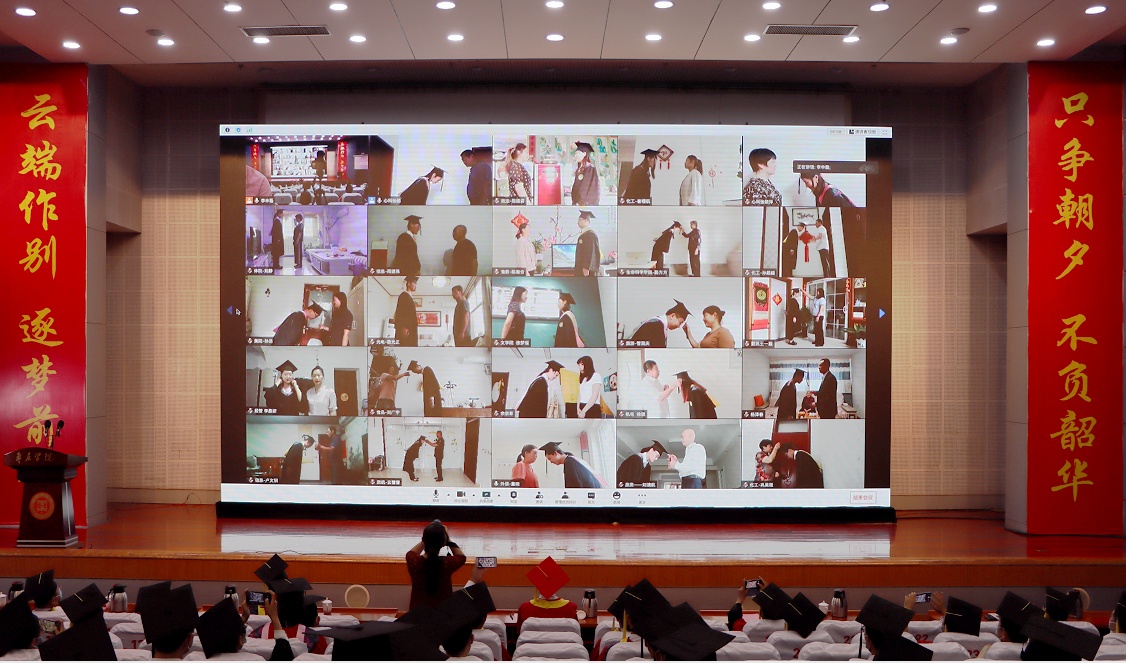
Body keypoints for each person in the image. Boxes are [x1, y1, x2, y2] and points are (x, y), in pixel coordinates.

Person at [406, 520, 466, 610]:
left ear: (423, 540)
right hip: (443, 615)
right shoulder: (446, 564)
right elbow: (461, 557)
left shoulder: (414, 561)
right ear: (443, 543)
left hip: (417, 615)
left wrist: (429, 535)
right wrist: (448, 539)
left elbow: (411, 553)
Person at [540, 442, 604, 488]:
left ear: (555, 453)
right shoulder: (573, 459)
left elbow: (572, 488)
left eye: (550, 458)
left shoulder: (569, 463)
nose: (551, 462)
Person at [571, 141, 600, 205]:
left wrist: (581, 201)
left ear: (584, 154)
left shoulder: (590, 168)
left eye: (578, 153)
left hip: (585, 203)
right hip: (578, 202)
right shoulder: (580, 168)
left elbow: (587, 187)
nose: (575, 156)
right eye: (575, 154)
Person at [574, 210, 600, 276]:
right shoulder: (585, 233)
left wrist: (586, 267)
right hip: (581, 267)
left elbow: (590, 252)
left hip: (586, 270)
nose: (578, 222)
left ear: (586, 220)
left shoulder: (590, 235)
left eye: (579, 220)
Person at [395, 276, 419, 347]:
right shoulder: (404, 295)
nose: (415, 285)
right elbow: (400, 312)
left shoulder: (410, 297)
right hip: (406, 328)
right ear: (408, 284)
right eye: (414, 283)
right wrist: (403, 327)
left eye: (416, 283)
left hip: (411, 327)